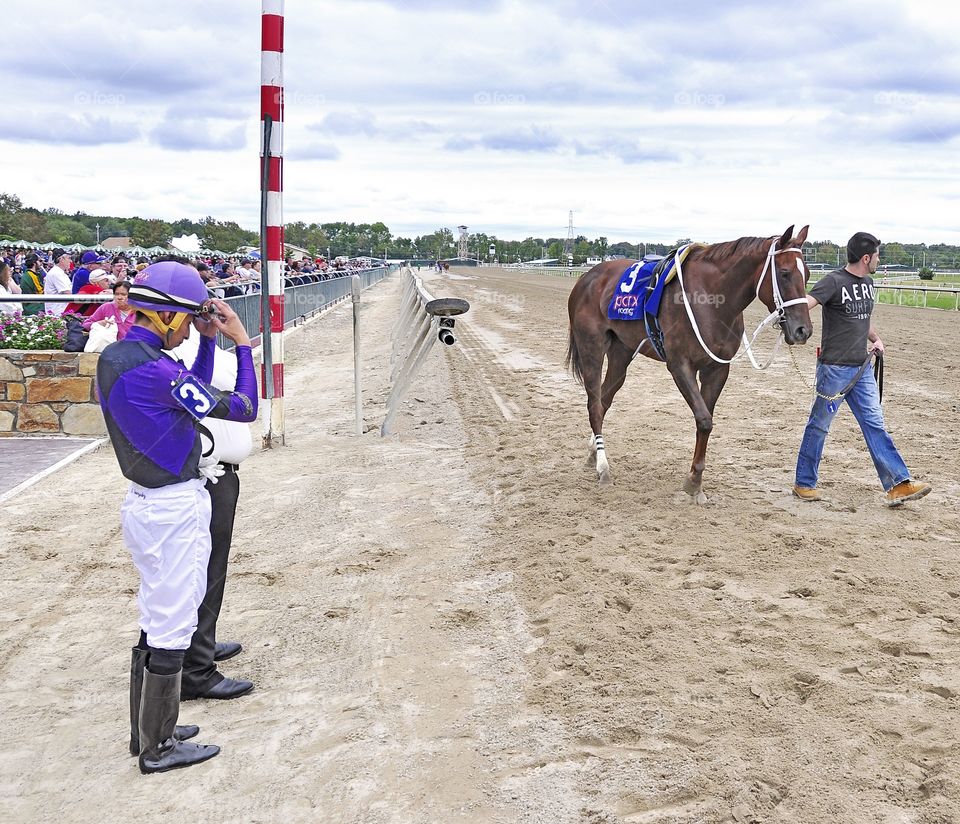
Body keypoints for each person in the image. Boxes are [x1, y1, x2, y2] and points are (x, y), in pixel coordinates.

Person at [96, 261, 258, 774]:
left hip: (144, 503)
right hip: (173, 508)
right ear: (165, 316)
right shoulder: (159, 371)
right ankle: (158, 747)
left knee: (154, 617)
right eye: (187, 320)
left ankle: (143, 731)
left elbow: (188, 397)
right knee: (172, 623)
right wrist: (243, 346)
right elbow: (244, 407)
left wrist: (208, 342)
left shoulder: (119, 356)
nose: (189, 327)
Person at [794, 232, 932, 507]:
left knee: (875, 425)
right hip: (834, 370)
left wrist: (875, 339)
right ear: (866, 257)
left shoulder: (868, 283)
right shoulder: (833, 281)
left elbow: (862, 317)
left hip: (862, 369)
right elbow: (806, 304)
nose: (879, 260)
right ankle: (804, 483)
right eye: (878, 255)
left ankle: (898, 484)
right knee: (819, 427)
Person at [170, 332, 254, 701]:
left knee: (207, 568)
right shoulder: (174, 351)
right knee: (202, 569)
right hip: (206, 473)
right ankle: (195, 666)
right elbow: (245, 401)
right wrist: (240, 340)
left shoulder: (185, 347)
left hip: (213, 470)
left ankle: (199, 645)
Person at [43, 249, 73, 315]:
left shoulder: (58, 272)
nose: (70, 261)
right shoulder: (57, 273)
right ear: (61, 259)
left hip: (59, 312)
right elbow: (68, 293)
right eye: (68, 258)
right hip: (57, 313)